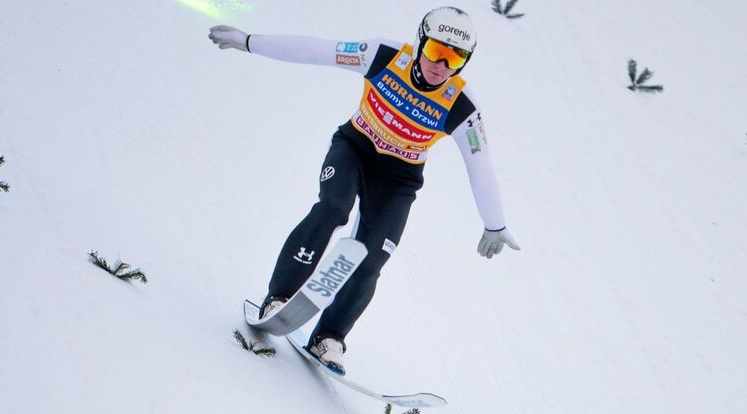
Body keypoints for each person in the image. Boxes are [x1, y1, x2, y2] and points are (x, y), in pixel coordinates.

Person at [209, 6, 519, 375]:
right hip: (354, 149)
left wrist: (494, 224)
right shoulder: (383, 56)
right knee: (333, 209)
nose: (441, 65)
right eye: (436, 51)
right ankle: (278, 299)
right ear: (421, 42)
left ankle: (330, 338)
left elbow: (480, 165)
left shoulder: (463, 108)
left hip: (399, 181)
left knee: (373, 257)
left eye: (455, 58)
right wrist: (249, 43)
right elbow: (316, 50)